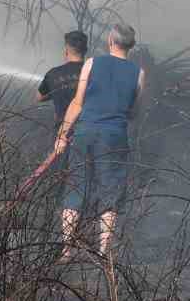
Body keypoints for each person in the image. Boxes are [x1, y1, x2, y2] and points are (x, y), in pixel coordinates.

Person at [29, 23, 145, 260]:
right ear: (130, 45)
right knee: (110, 190)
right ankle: (104, 252)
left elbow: (77, 103)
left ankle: (67, 249)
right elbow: (134, 110)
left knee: (75, 186)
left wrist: (62, 134)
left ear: (111, 41)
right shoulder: (139, 73)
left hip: (85, 132)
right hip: (114, 135)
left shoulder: (92, 63)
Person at [36, 30, 88, 127]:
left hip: (62, 133)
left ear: (66, 50)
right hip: (89, 133)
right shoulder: (95, 73)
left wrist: (58, 90)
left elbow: (39, 97)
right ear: (85, 50)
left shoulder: (53, 74)